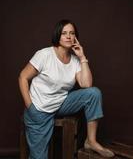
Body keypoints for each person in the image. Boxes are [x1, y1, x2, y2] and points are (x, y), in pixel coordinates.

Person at [18, 19, 114, 159]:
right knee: (39, 157)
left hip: (61, 103)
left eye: (72, 33)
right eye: (64, 33)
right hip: (40, 109)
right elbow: (22, 77)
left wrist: (82, 57)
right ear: (58, 35)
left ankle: (91, 141)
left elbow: (87, 85)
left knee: (93, 93)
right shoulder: (44, 55)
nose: (69, 36)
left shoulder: (75, 60)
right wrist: (30, 107)